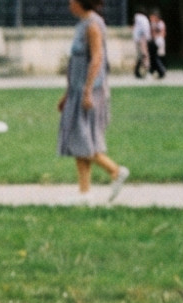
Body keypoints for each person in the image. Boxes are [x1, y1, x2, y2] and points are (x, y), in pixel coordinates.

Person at [58, 0, 130, 200]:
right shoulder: (82, 24)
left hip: (91, 90)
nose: (69, 4)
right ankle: (84, 193)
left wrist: (88, 91)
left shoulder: (92, 26)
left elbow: (97, 59)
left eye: (72, 1)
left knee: (82, 139)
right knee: (78, 140)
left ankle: (115, 171)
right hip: (77, 90)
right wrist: (67, 94)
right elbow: (76, 64)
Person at [132, 9, 153, 77]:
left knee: (142, 56)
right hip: (142, 39)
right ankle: (144, 71)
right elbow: (145, 30)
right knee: (144, 56)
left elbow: (141, 30)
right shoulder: (144, 19)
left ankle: (142, 71)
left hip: (140, 39)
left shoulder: (139, 18)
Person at [149, 11, 167, 79]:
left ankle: (162, 69)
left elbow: (162, 33)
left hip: (159, 41)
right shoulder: (153, 24)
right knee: (155, 56)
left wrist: (156, 35)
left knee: (159, 56)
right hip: (155, 41)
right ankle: (155, 69)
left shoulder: (161, 23)